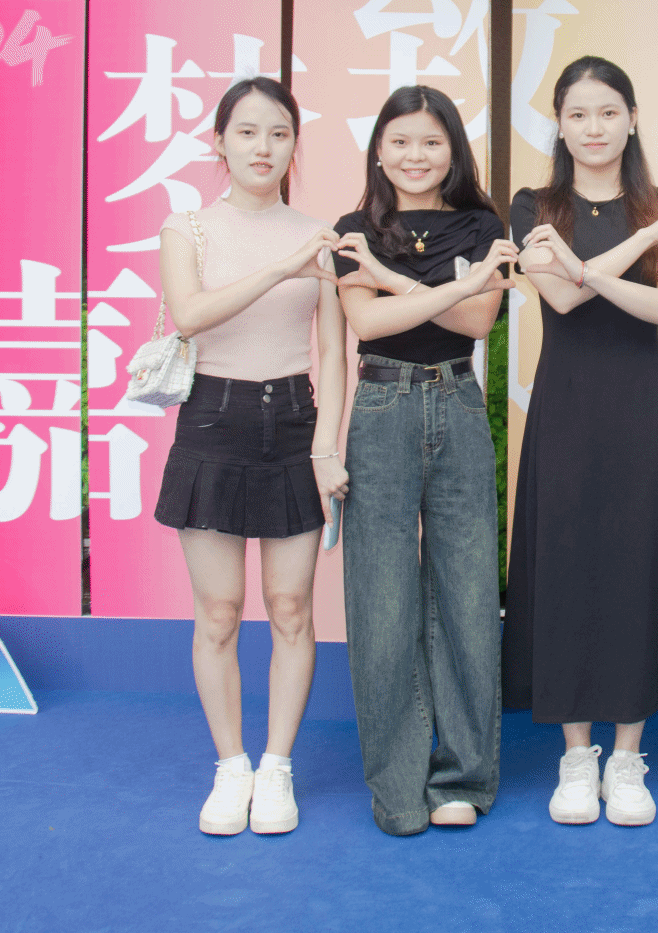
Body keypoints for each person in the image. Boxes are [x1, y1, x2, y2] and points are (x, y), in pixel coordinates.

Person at [505, 55, 658, 827]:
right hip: (564, 408)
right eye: (577, 114)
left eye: (607, 112)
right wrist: (650, 239)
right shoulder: (533, 205)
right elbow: (559, 299)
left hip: (640, 409)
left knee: (635, 570)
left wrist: (599, 262)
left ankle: (627, 755)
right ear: (559, 126)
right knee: (566, 568)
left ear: (631, 119)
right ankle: (576, 755)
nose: (593, 127)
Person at [154, 76, 348, 838]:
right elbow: (190, 314)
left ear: (295, 144)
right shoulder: (188, 229)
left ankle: (277, 767)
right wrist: (280, 268)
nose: (263, 146)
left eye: (278, 132)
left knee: (292, 607)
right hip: (212, 418)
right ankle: (230, 764)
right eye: (247, 131)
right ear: (219, 142)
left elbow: (332, 351)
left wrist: (326, 446)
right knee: (220, 610)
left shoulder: (321, 233)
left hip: (294, 420)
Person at [330, 86, 518, 836]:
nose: (416, 155)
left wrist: (392, 278)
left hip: (458, 402)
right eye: (401, 141)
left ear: (454, 151)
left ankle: (462, 777)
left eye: (431, 141)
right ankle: (399, 786)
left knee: (468, 595)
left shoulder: (482, 224)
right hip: (380, 407)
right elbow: (367, 322)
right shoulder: (353, 229)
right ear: (379, 150)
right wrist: (448, 285)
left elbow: (475, 320)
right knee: (381, 600)